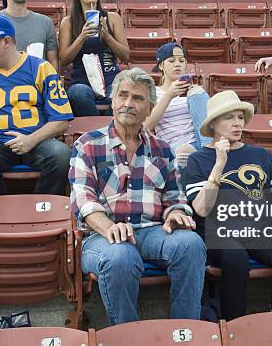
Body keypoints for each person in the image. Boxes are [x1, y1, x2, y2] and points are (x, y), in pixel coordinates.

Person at [69, 68, 206, 325]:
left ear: (150, 107)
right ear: (112, 101)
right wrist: (110, 227)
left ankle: (185, 331)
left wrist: (176, 214)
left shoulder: (163, 149)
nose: (128, 104)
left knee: (191, 244)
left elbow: (175, 197)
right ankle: (128, 337)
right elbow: (82, 200)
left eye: (138, 98)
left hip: (152, 231)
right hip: (101, 236)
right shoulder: (87, 144)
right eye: (123, 96)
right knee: (122, 255)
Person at [183, 90, 272, 320]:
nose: (237, 124)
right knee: (235, 257)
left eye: (239, 117)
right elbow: (201, 209)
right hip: (217, 232)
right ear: (214, 124)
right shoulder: (198, 159)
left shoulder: (260, 155)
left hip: (257, 229)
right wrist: (219, 164)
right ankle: (233, 324)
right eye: (229, 118)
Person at [0, 13, 73, 197]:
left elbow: (61, 121)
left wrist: (31, 140)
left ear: (6, 41)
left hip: (36, 140)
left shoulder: (41, 68)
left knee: (62, 155)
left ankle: (43, 207)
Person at [59, 0, 130, 116]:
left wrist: (108, 38)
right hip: (82, 81)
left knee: (121, 92)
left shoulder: (112, 18)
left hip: (111, 79)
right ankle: (98, 131)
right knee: (78, 93)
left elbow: (126, 56)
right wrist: (81, 37)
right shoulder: (68, 22)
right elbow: (64, 59)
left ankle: (110, 129)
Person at [143, 43, 211, 168]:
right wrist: (168, 95)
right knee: (183, 152)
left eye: (181, 60)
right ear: (161, 66)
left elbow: (209, 120)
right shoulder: (154, 92)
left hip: (198, 142)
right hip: (172, 147)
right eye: (171, 61)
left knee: (198, 94)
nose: (177, 64)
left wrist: (195, 94)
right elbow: (146, 126)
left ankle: (210, 151)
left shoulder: (195, 92)